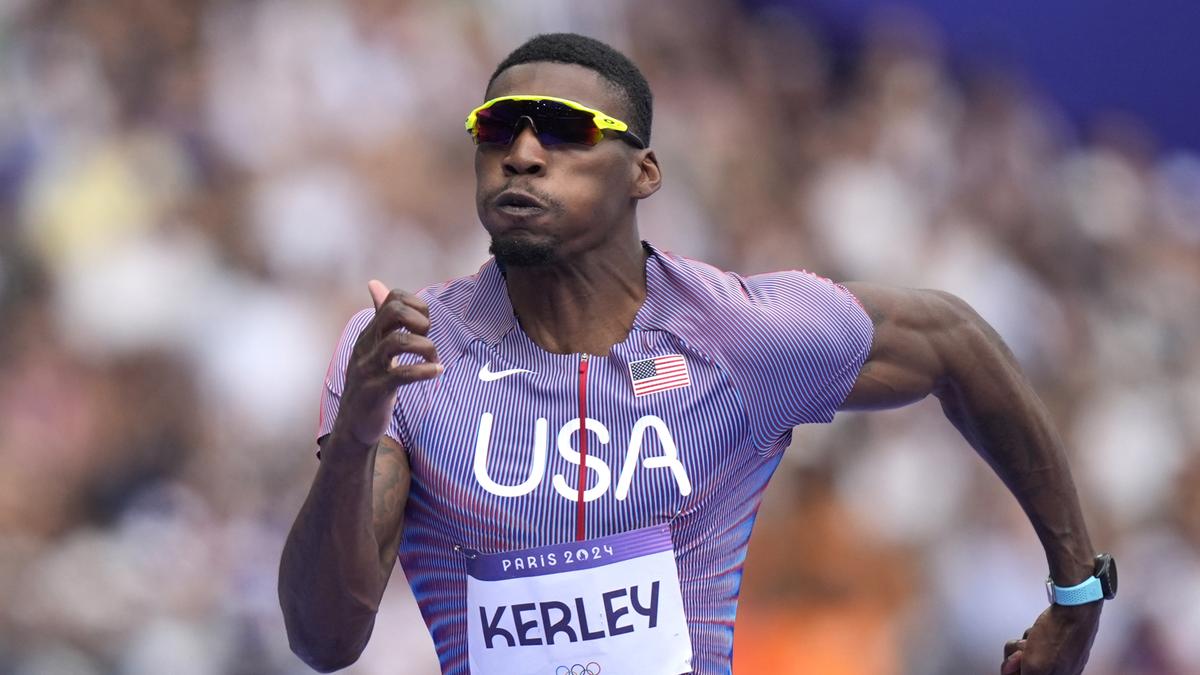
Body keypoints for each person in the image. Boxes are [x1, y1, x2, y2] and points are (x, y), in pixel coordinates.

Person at [278, 33, 1111, 675]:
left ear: (643, 173)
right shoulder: (409, 354)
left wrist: (1077, 592)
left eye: (566, 130)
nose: (521, 154)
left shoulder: (738, 334)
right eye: (496, 128)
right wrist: (356, 431)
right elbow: (323, 639)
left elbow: (953, 339)